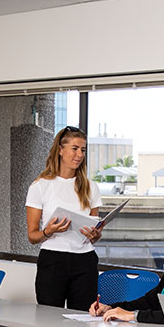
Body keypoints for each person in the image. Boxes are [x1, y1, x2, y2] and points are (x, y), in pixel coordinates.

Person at [26, 126, 102, 309]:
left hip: (85, 260)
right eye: (74, 148)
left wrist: (95, 235)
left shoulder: (90, 187)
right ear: (60, 150)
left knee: (84, 319)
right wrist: (48, 231)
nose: (79, 154)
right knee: (49, 319)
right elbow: (32, 236)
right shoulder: (40, 186)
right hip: (53, 260)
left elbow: (95, 227)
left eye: (83, 150)